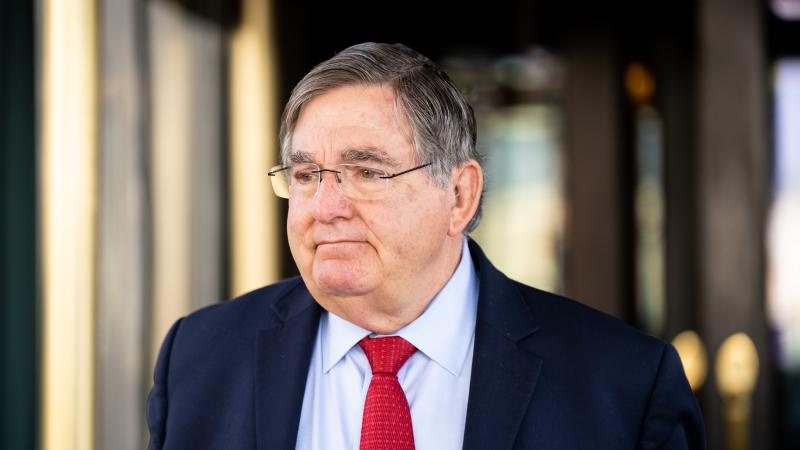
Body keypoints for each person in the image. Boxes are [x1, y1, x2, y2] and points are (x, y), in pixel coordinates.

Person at [147, 42, 705, 450]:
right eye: (306, 174)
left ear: (459, 195)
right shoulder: (199, 359)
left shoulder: (623, 385)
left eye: (366, 172)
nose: (325, 205)